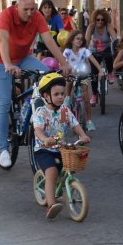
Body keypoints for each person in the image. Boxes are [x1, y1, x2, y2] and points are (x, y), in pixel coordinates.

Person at [0, 0, 70, 168]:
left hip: (24, 57)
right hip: (0, 60)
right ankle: (3, 148)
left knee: (49, 78)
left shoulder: (37, 16)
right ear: (16, 7)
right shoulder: (7, 15)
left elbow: (49, 40)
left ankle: (36, 115)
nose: (29, 12)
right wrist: (7, 64)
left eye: (32, 9)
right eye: (25, 9)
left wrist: (64, 63)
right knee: (4, 103)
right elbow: (3, 40)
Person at [33, 73, 90, 218]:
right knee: (51, 172)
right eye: (56, 94)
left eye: (62, 94)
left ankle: (62, 186)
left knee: (71, 167)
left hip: (61, 148)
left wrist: (82, 135)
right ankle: (51, 204)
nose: (60, 97)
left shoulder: (65, 110)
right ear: (47, 96)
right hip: (44, 149)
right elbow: (38, 129)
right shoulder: (42, 112)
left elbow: (75, 124)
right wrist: (44, 139)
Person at [63, 30, 104, 131]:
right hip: (71, 75)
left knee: (86, 98)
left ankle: (89, 121)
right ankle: (67, 97)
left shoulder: (85, 51)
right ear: (72, 40)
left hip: (83, 75)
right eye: (77, 39)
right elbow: (62, 62)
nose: (80, 41)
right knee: (68, 80)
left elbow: (93, 60)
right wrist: (64, 68)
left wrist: (100, 70)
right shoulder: (67, 51)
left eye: (81, 39)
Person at [85, 9, 117, 105]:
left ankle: (110, 72)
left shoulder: (108, 26)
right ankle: (94, 94)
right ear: (94, 19)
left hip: (106, 49)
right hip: (94, 51)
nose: (100, 22)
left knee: (109, 56)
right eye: (98, 20)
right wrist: (84, 52)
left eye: (102, 20)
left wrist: (117, 49)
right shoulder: (91, 27)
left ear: (105, 20)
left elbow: (114, 39)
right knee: (94, 74)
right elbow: (86, 41)